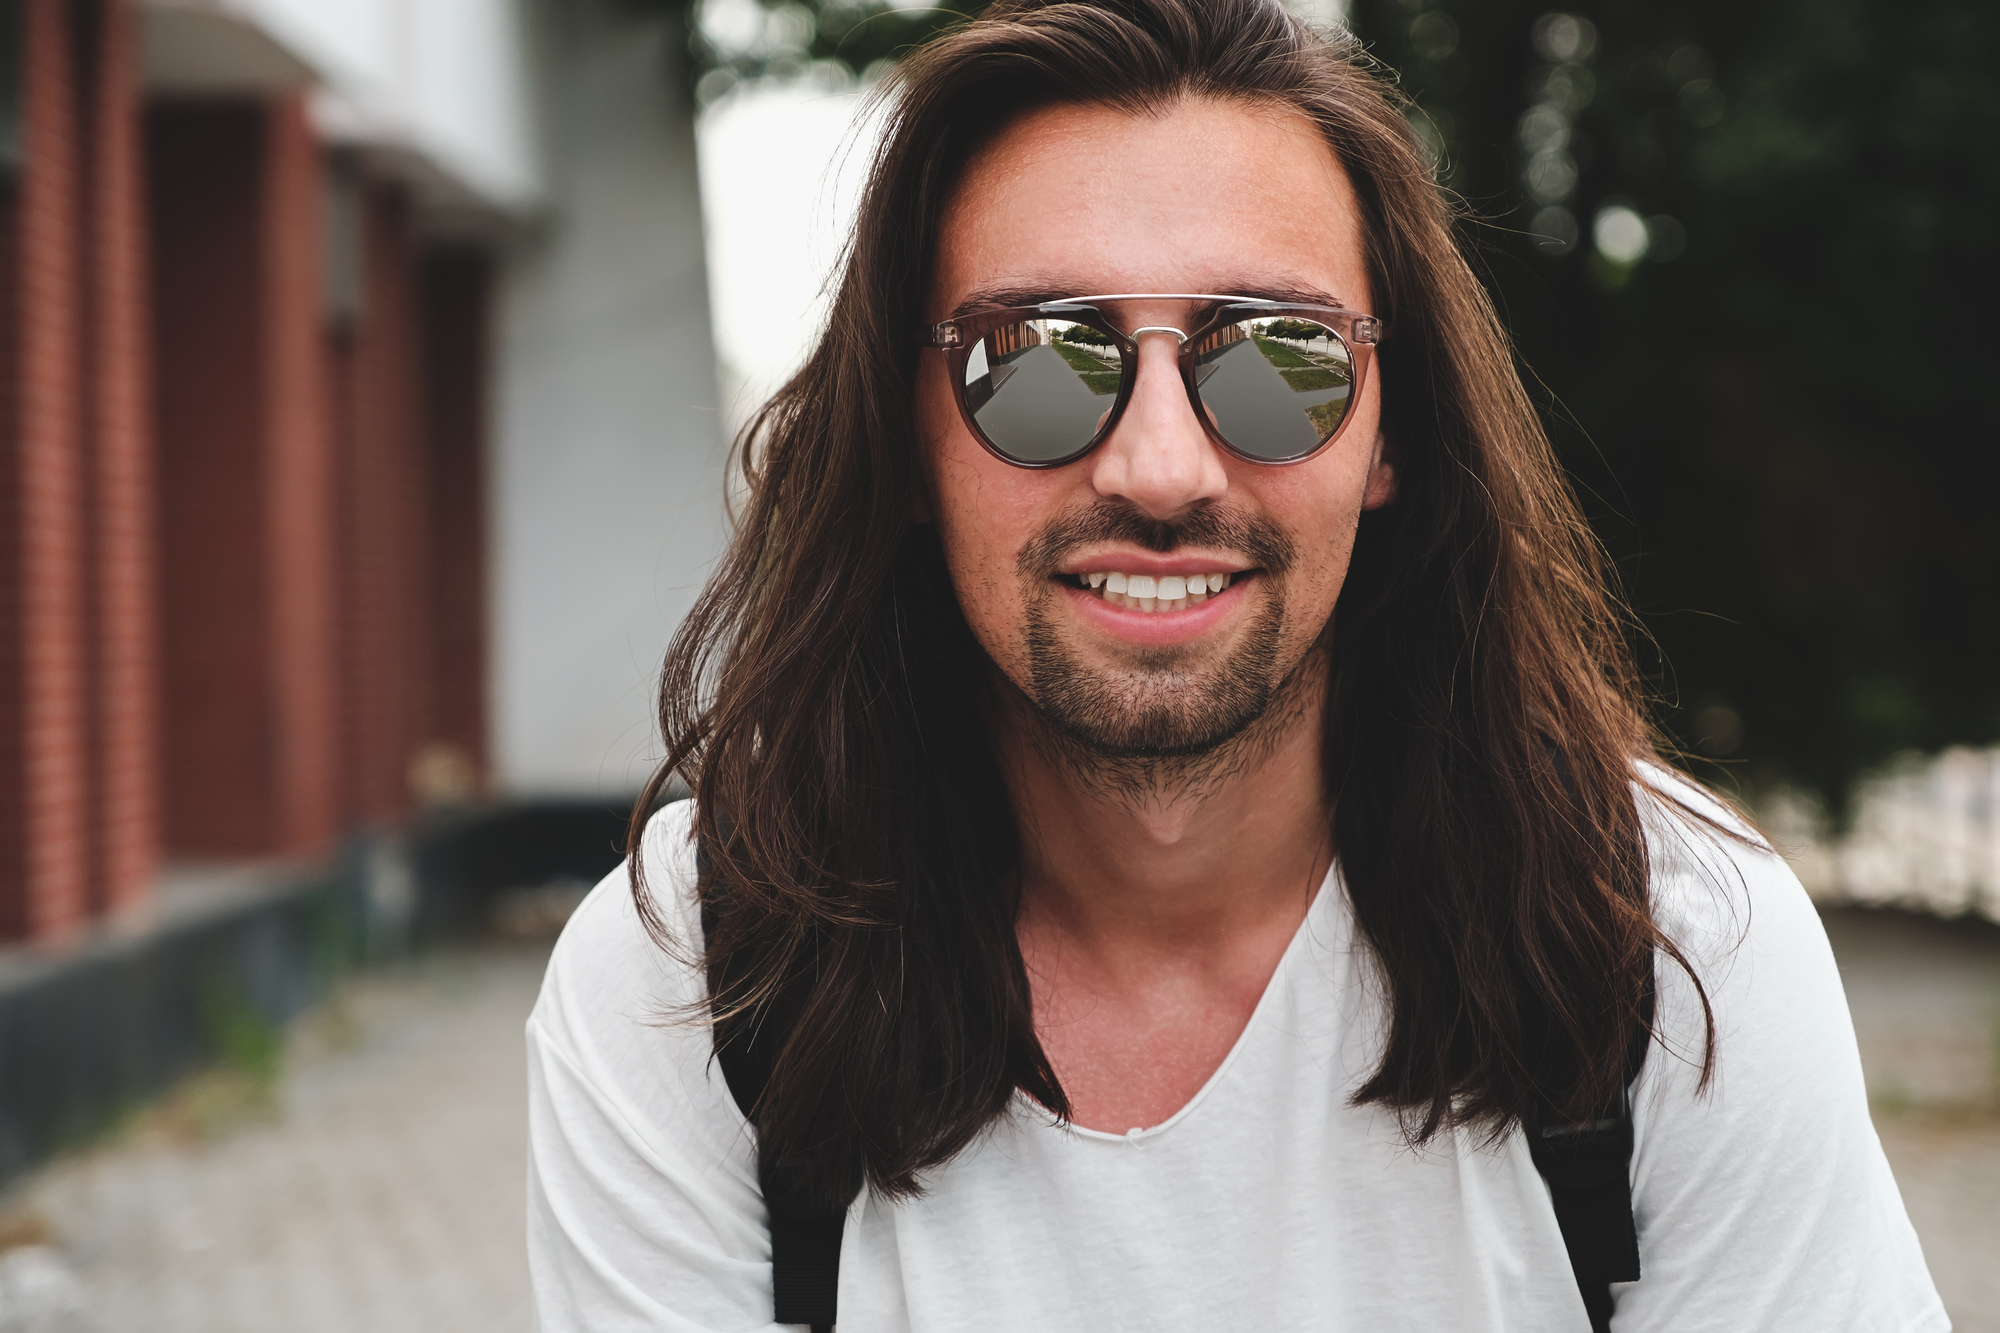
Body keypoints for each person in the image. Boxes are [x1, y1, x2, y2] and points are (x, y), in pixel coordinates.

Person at [525, 1, 1946, 1328]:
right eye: (1035, 358)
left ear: (1393, 435)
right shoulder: (692, 988)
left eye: (1280, 357)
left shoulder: (1676, 952)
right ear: (907, 443)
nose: (1159, 464)